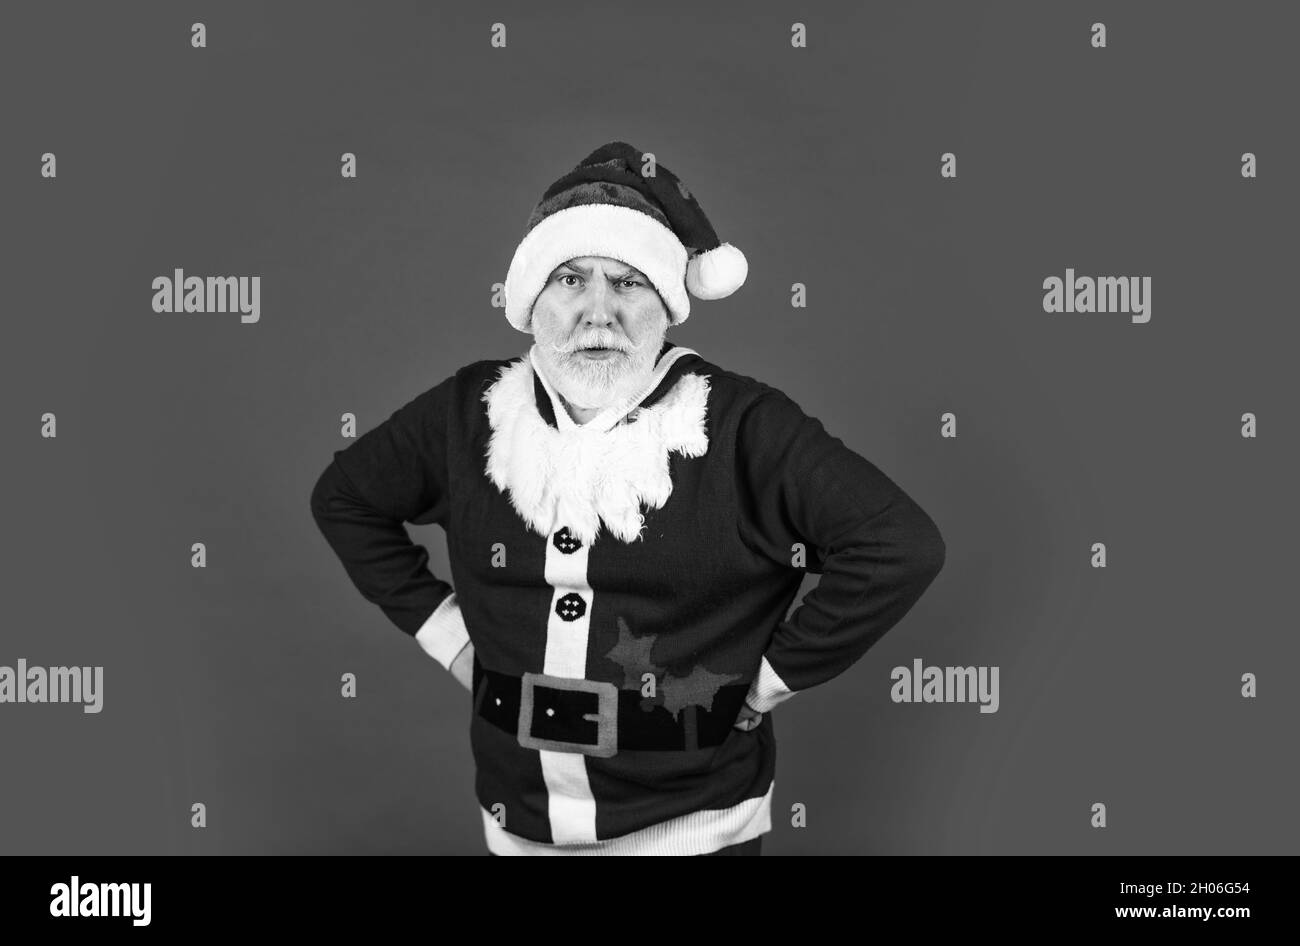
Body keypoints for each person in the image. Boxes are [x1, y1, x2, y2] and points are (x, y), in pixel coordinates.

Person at [309, 141, 946, 855]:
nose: (598, 313)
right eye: (571, 279)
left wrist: (764, 683)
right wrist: (454, 642)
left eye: (629, 282)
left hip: (692, 832)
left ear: (669, 303)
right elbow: (346, 498)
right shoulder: (469, 412)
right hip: (516, 824)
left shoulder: (740, 426)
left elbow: (901, 545)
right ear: (530, 299)